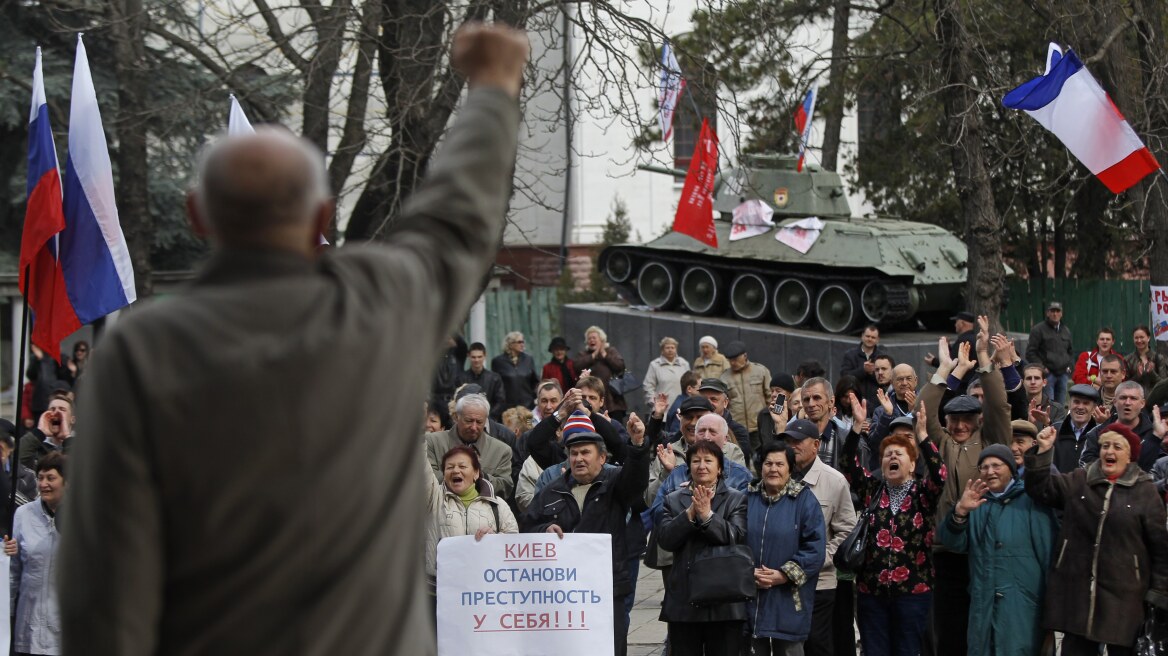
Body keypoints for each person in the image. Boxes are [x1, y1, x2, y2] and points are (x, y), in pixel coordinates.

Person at [57, 24, 529, 656]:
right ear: (324, 216)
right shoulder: (379, 305)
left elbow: (104, 579)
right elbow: (457, 219)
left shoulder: (141, 352)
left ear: (198, 215)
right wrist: (494, 89)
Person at [1026, 422, 1168, 656]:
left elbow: (1160, 549)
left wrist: (1159, 594)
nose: (1109, 452)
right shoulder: (1081, 479)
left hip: (1124, 599)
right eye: (1105, 446)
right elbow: (1042, 489)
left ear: (1130, 455)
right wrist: (1043, 452)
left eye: (1117, 447)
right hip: (1076, 594)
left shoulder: (1145, 491)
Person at [521, 411, 650, 656]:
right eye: (574, 453)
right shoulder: (552, 491)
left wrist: (638, 445)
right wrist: (544, 529)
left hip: (608, 591)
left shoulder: (615, 483)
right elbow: (527, 527)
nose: (579, 459)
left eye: (585, 452)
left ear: (602, 458)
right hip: (563, 594)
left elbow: (636, 479)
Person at [840, 405, 944, 656]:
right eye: (887, 454)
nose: (892, 458)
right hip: (871, 592)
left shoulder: (923, 493)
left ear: (912, 464)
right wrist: (856, 427)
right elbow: (847, 462)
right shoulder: (872, 490)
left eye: (899, 454)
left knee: (907, 651)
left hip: (913, 593)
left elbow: (940, 474)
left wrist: (922, 436)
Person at [937, 445, 1058, 656]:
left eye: (996, 465)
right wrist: (960, 512)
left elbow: (1050, 555)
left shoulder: (1031, 501)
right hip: (983, 605)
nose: (989, 471)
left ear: (1011, 468)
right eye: (983, 467)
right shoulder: (977, 502)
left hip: (1022, 606)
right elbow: (953, 543)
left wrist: (1054, 609)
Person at [657, 440, 749, 656]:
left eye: (708, 460)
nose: (702, 466)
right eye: (696, 461)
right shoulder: (673, 500)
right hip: (684, 599)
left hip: (725, 599)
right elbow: (666, 540)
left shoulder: (736, 499)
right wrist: (689, 514)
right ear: (688, 467)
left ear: (720, 468)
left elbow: (736, 536)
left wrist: (708, 516)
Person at [781, 418, 858, 656]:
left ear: (815, 444)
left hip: (820, 581)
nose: (792, 445)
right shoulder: (776, 475)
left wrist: (819, 557)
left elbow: (847, 531)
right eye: (788, 441)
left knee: (816, 643)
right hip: (779, 578)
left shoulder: (834, 481)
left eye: (798, 441)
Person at [746, 442, 826, 656]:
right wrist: (746, 572)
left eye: (780, 464)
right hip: (750, 595)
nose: (773, 469)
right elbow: (733, 542)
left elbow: (815, 550)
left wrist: (783, 574)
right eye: (768, 463)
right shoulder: (746, 497)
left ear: (790, 469)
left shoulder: (805, 500)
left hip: (789, 597)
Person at [422, 444, 517, 600]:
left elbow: (514, 545)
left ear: (476, 473)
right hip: (438, 593)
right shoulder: (434, 499)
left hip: (484, 592)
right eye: (449, 467)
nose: (455, 471)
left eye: (462, 466)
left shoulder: (497, 505)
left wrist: (496, 538)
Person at [5, 452, 68, 656]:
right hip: (28, 624)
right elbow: (14, 571)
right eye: (40, 478)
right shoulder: (23, 514)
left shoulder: (82, 515)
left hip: (64, 626)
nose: (43, 484)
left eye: (51, 478)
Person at [426, 393, 514, 501]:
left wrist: (480, 475)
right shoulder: (432, 442)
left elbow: (505, 487)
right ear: (456, 417)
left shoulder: (501, 450)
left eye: (479, 422)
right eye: (468, 421)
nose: (474, 427)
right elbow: (427, 478)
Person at [1080, 380, 1164, 471]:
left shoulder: (1154, 435)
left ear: (1142, 403)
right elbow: (1085, 464)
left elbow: (1159, 469)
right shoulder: (1096, 433)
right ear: (1115, 402)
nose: (1127, 402)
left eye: (1133, 398)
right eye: (1123, 398)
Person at [720, 341, 772, 444]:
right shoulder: (724, 378)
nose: (732, 363)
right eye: (730, 360)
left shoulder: (761, 371)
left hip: (759, 426)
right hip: (737, 429)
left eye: (735, 359)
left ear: (745, 356)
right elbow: (724, 405)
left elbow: (770, 396)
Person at [574, 326, 629, 421]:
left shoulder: (610, 351)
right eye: (589, 338)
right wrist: (593, 355)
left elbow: (620, 366)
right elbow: (577, 366)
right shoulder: (583, 354)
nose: (591, 340)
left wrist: (605, 355)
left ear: (602, 340)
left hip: (613, 400)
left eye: (594, 338)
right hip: (591, 399)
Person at [1025, 301, 1073, 403]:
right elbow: (1030, 353)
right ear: (1047, 313)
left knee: (1060, 406)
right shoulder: (1038, 330)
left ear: (1061, 313)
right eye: (1052, 311)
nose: (1055, 314)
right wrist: (1043, 369)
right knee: (1048, 405)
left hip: (1063, 375)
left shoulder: (1066, 330)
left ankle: (1059, 419)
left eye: (1057, 311)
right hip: (1048, 375)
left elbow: (1070, 351)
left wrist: (1069, 367)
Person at [19, 392, 76, 471]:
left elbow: (78, 469)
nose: (56, 412)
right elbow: (16, 460)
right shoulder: (35, 446)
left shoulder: (83, 445)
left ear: (72, 419)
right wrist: (39, 432)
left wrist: (67, 438)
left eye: (62, 409)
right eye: (52, 409)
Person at [1051, 383, 1100, 472]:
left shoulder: (1099, 435)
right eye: (1076, 402)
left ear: (1093, 408)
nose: (1080, 407)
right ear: (1069, 404)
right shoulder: (1054, 431)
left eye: (1086, 403)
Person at [925, 311, 978, 393]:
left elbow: (954, 364)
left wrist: (934, 361)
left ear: (962, 323)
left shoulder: (963, 340)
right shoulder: (974, 338)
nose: (955, 324)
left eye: (956, 322)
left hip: (962, 387)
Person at [840, 325, 886, 413]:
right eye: (867, 336)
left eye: (873, 337)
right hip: (853, 401)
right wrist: (863, 370)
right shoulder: (850, 355)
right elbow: (844, 376)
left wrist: (872, 373)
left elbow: (887, 379)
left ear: (877, 339)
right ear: (862, 336)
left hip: (877, 403)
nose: (870, 339)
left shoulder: (882, 357)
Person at [491, 331, 539, 412]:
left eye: (523, 341)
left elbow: (534, 382)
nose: (522, 344)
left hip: (527, 407)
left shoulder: (528, 359)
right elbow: (496, 386)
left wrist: (535, 399)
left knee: (529, 424)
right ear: (510, 344)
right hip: (507, 409)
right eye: (519, 342)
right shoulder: (498, 361)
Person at [457, 342, 506, 420]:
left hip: (490, 419)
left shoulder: (495, 378)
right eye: (473, 357)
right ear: (468, 356)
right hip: (467, 419)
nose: (476, 360)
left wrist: (488, 417)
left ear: (485, 356)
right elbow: (457, 401)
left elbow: (500, 401)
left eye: (479, 357)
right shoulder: (461, 378)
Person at [644, 337, 690, 405]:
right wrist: (653, 402)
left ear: (676, 349)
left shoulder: (684, 364)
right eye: (667, 348)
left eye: (672, 347)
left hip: (682, 405)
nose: (670, 350)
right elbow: (648, 386)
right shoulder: (655, 365)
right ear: (662, 350)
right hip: (662, 406)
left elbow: (690, 384)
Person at [1126, 325, 1167, 395]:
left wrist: (1152, 374)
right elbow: (1124, 384)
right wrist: (1137, 376)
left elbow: (1164, 384)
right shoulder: (1128, 359)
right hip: (1134, 399)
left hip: (1155, 399)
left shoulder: (1158, 358)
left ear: (1148, 338)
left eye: (1142, 337)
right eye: (1136, 338)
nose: (1139, 340)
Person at [1022, 363, 1066, 428]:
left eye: (1037, 378)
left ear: (1044, 382)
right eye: (1029, 378)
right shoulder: (1015, 407)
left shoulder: (1057, 409)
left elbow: (1060, 435)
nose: (1033, 382)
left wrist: (1047, 423)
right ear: (1023, 383)